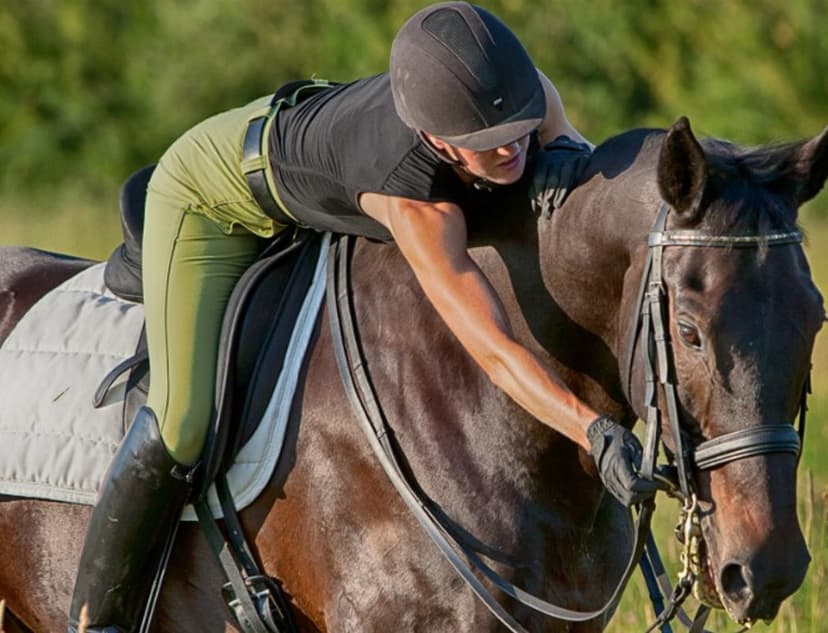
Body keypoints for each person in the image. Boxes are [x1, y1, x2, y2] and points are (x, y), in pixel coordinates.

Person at [67, 2, 659, 631]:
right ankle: (99, 613)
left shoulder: (524, 93)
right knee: (185, 418)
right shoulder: (414, 201)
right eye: (487, 145)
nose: (513, 145)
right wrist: (590, 427)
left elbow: (572, 161)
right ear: (436, 139)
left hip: (317, 137)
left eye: (518, 128)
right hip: (211, 197)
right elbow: (494, 348)